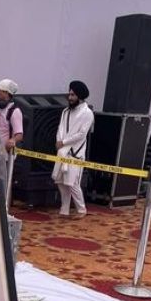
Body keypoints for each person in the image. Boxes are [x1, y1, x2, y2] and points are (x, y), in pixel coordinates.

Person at [52, 80, 94, 219]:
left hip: (76, 153)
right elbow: (61, 128)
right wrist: (60, 141)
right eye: (69, 94)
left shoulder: (87, 113)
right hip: (63, 151)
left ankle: (81, 209)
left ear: (80, 96)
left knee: (72, 183)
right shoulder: (65, 111)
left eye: (73, 95)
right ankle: (64, 210)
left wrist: (64, 142)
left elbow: (81, 134)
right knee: (61, 182)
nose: (70, 97)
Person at [0, 79, 23, 152]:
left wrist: (13, 140)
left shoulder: (14, 111)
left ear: (6, 93)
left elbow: (19, 135)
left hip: (4, 155)